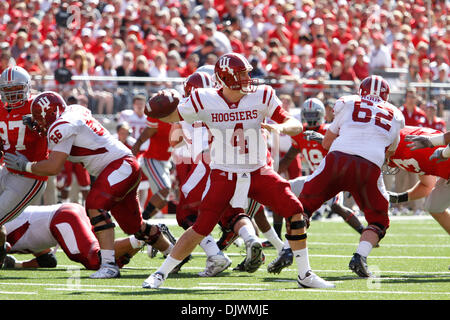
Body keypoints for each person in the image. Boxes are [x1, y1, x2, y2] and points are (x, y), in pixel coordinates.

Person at [142, 53, 335, 289]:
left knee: (295, 211)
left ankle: (305, 274)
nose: (248, 78)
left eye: (247, 73)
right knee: (201, 226)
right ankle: (160, 274)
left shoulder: (262, 95)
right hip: (224, 172)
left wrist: (281, 127)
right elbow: (173, 116)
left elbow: (294, 124)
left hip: (258, 171)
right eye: (242, 74)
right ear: (225, 77)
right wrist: (157, 107)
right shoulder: (204, 99)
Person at [3, 91, 175, 279]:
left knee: (95, 205)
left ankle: (109, 265)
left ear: (49, 115)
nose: (37, 124)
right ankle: (173, 254)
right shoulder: (72, 112)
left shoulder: (60, 127)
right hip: (122, 165)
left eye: (39, 119)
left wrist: (25, 165)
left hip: (119, 165)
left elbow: (53, 166)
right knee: (134, 226)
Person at [297, 75, 405, 278]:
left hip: (337, 159)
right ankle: (360, 257)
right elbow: (389, 152)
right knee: (379, 220)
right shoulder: (396, 114)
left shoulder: (348, 102)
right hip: (369, 166)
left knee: (303, 209)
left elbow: (327, 143)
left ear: (361, 91)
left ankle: (288, 249)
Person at [279, 98, 364, 233]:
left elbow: (344, 150)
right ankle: (276, 239)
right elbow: (288, 158)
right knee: (280, 193)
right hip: (314, 178)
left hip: (332, 179)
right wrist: (271, 174)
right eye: (308, 115)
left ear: (321, 114)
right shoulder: (300, 133)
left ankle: (364, 231)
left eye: (314, 114)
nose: (311, 118)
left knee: (336, 206)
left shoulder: (329, 130)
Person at [0, 66, 48, 267]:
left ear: (27, 87)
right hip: (7, 170)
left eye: (16, 88)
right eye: (7, 90)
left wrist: (40, 128)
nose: (12, 94)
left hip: (31, 175)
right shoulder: (1, 109)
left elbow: (53, 140)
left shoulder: (37, 107)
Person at [2, 203, 145, 269]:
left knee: (95, 260)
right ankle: (141, 239)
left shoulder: (5, 226)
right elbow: (47, 260)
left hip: (62, 218)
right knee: (113, 263)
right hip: (67, 212)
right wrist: (17, 265)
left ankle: (144, 236)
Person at [386, 126, 450, 235]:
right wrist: (397, 198)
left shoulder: (406, 142)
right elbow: (427, 186)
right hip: (447, 175)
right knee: (434, 206)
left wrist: (434, 144)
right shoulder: (392, 155)